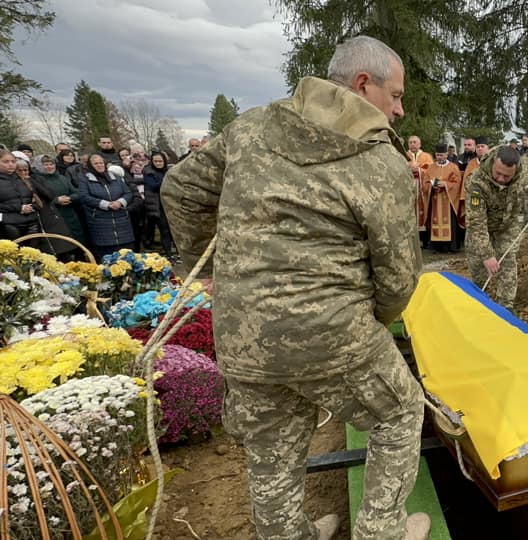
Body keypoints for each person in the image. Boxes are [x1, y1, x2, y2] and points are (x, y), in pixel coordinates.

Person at [161, 35, 429, 540]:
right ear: (363, 84)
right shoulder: (379, 160)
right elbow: (398, 274)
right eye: (394, 96)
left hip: (244, 336)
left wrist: (224, 271)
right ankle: (382, 531)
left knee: (272, 445)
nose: (398, 110)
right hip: (332, 334)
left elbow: (180, 189)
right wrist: (373, 322)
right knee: (398, 414)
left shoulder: (252, 127)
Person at [465, 145, 528, 312]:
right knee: (479, 270)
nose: (500, 178)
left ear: (516, 170)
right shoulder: (476, 181)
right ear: (493, 164)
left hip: (508, 226)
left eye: (506, 176)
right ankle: (477, 307)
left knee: (507, 262)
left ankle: (505, 309)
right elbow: (476, 223)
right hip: (482, 228)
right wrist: (487, 254)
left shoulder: (524, 169)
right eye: (497, 173)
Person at [76, 153, 135, 261]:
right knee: (108, 257)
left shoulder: (116, 177)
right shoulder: (85, 180)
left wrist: (120, 202)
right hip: (100, 221)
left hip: (121, 220)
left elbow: (128, 193)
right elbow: (84, 197)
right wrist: (106, 204)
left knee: (126, 255)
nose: (99, 165)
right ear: (90, 165)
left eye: (101, 163)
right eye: (96, 163)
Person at [34, 155, 87, 257]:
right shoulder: (37, 180)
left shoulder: (62, 178)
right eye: (46, 164)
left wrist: (70, 198)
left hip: (70, 215)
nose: (49, 167)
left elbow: (77, 193)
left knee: (77, 243)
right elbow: (39, 199)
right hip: (53, 218)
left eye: (51, 164)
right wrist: (56, 200)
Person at [419, 143, 462, 252]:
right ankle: (437, 246)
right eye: (438, 155)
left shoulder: (453, 167)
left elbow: (457, 183)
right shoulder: (431, 167)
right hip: (435, 199)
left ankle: (451, 246)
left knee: (450, 223)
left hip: (448, 201)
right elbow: (425, 184)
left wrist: (446, 184)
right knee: (435, 222)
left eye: (442, 155)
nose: (439, 157)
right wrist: (431, 185)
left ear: (447, 154)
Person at [0, 150, 41, 241]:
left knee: (33, 254)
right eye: (6, 162)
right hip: (8, 226)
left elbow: (37, 201)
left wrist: (32, 207)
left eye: (13, 161)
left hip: (32, 223)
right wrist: (19, 208)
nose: (11, 164)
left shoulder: (22, 179)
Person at [142, 152, 176, 259]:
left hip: (170, 204)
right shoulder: (148, 172)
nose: (158, 163)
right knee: (164, 230)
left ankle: (176, 252)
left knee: (173, 230)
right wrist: (168, 178)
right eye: (155, 161)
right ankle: (168, 254)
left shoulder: (168, 171)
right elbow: (153, 186)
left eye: (160, 161)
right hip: (157, 206)